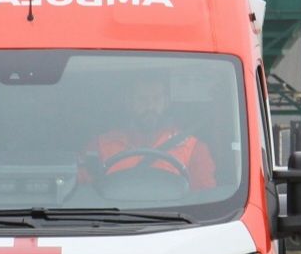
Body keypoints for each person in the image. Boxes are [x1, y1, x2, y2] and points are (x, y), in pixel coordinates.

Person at [87, 81, 216, 191]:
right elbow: (85, 192)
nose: (150, 106)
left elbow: (204, 197)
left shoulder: (193, 148)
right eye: (142, 99)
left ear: (166, 102)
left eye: (157, 99)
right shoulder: (100, 145)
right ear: (129, 102)